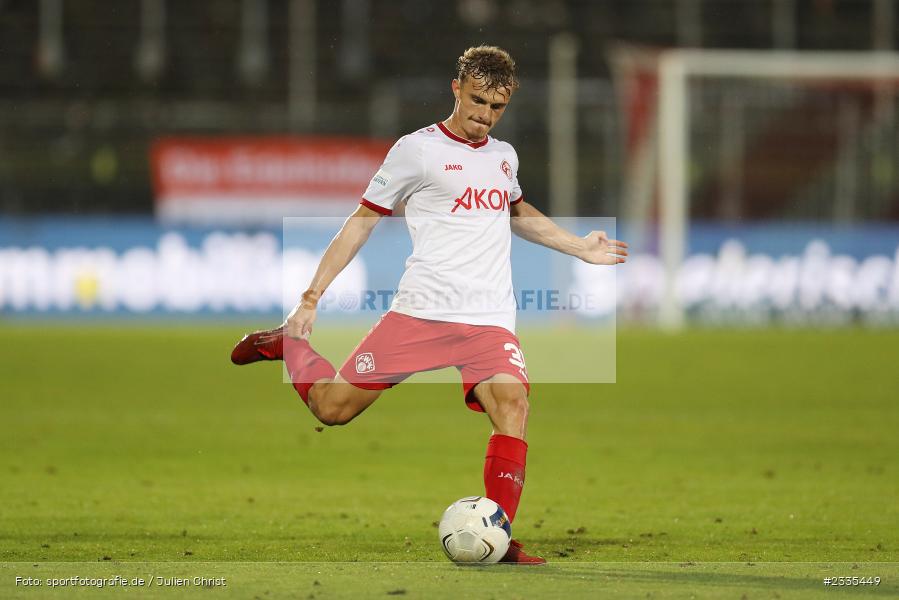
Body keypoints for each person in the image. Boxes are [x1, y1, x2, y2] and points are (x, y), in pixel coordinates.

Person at [231, 45, 628, 564]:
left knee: (513, 406)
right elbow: (362, 221)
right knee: (332, 409)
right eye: (477, 101)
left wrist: (580, 247)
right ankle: (290, 347)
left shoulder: (503, 156)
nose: (484, 117)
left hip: (488, 321)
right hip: (420, 313)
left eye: (497, 107)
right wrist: (310, 298)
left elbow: (516, 211)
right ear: (456, 88)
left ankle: (498, 536)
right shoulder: (415, 151)